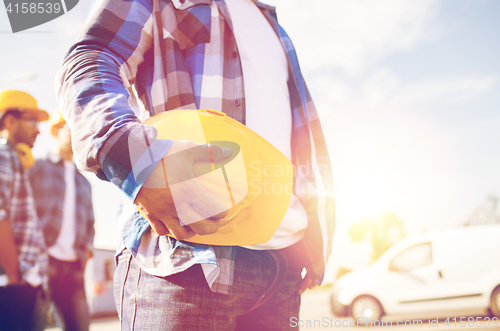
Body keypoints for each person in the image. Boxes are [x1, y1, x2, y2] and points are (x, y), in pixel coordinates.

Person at [57, 0, 335, 329]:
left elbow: (299, 136)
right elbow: (91, 60)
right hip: (185, 258)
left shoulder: (270, 20)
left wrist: (316, 236)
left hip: (284, 267)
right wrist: (135, 162)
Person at [29, 111, 95, 331]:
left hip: (73, 267)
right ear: (56, 132)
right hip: (40, 261)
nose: (78, 132)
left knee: (79, 326)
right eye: (70, 126)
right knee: (31, 325)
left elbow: (90, 225)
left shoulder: (84, 182)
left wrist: (86, 252)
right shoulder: (36, 167)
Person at [0, 90, 49, 331]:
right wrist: (14, 279)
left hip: (22, 282)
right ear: (9, 121)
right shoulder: (3, 155)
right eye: (32, 121)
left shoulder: (15, 158)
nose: (38, 130)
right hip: (13, 286)